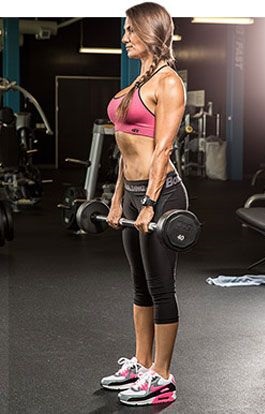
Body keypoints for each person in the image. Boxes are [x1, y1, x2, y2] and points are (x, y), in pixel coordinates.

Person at [100, 2, 187, 406]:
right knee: (139, 286)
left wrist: (151, 202)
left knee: (160, 286)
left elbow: (163, 147)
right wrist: (118, 199)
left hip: (163, 194)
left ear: (150, 32)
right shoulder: (136, 83)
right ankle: (141, 362)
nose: (125, 38)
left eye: (130, 31)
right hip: (133, 194)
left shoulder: (168, 83)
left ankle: (163, 376)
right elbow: (125, 151)